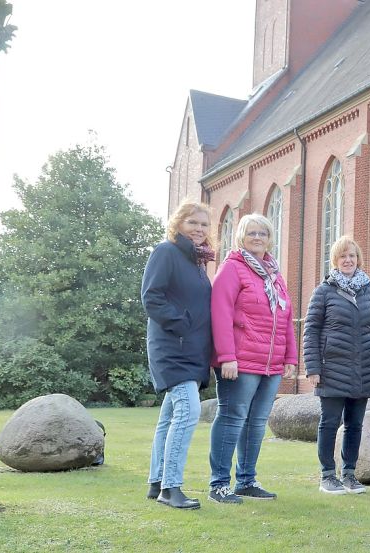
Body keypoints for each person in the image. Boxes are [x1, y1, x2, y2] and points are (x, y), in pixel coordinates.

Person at [208, 214, 297, 504]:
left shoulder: (274, 274)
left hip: (270, 364)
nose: (257, 237)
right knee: (233, 418)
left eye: (262, 233)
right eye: (251, 233)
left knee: (257, 422)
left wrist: (290, 357)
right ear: (241, 237)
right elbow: (220, 314)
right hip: (240, 361)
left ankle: (246, 480)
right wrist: (226, 357)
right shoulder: (232, 268)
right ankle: (219, 484)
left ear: (270, 238)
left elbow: (284, 318)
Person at [141, 201, 215, 510]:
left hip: (192, 351)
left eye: (203, 224)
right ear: (178, 224)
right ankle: (171, 489)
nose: (199, 229)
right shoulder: (166, 252)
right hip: (171, 347)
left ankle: (156, 481)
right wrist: (181, 323)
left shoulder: (198, 264)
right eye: (192, 223)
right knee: (187, 414)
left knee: (170, 416)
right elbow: (151, 297)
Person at [303, 236, 370, 495]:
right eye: (343, 256)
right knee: (329, 423)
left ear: (358, 259)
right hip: (332, 368)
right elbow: (311, 330)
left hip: (363, 367)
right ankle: (327, 476)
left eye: (351, 255)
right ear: (335, 261)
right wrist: (313, 367)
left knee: (355, 424)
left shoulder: (368, 291)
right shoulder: (324, 291)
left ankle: (349, 474)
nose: (348, 260)